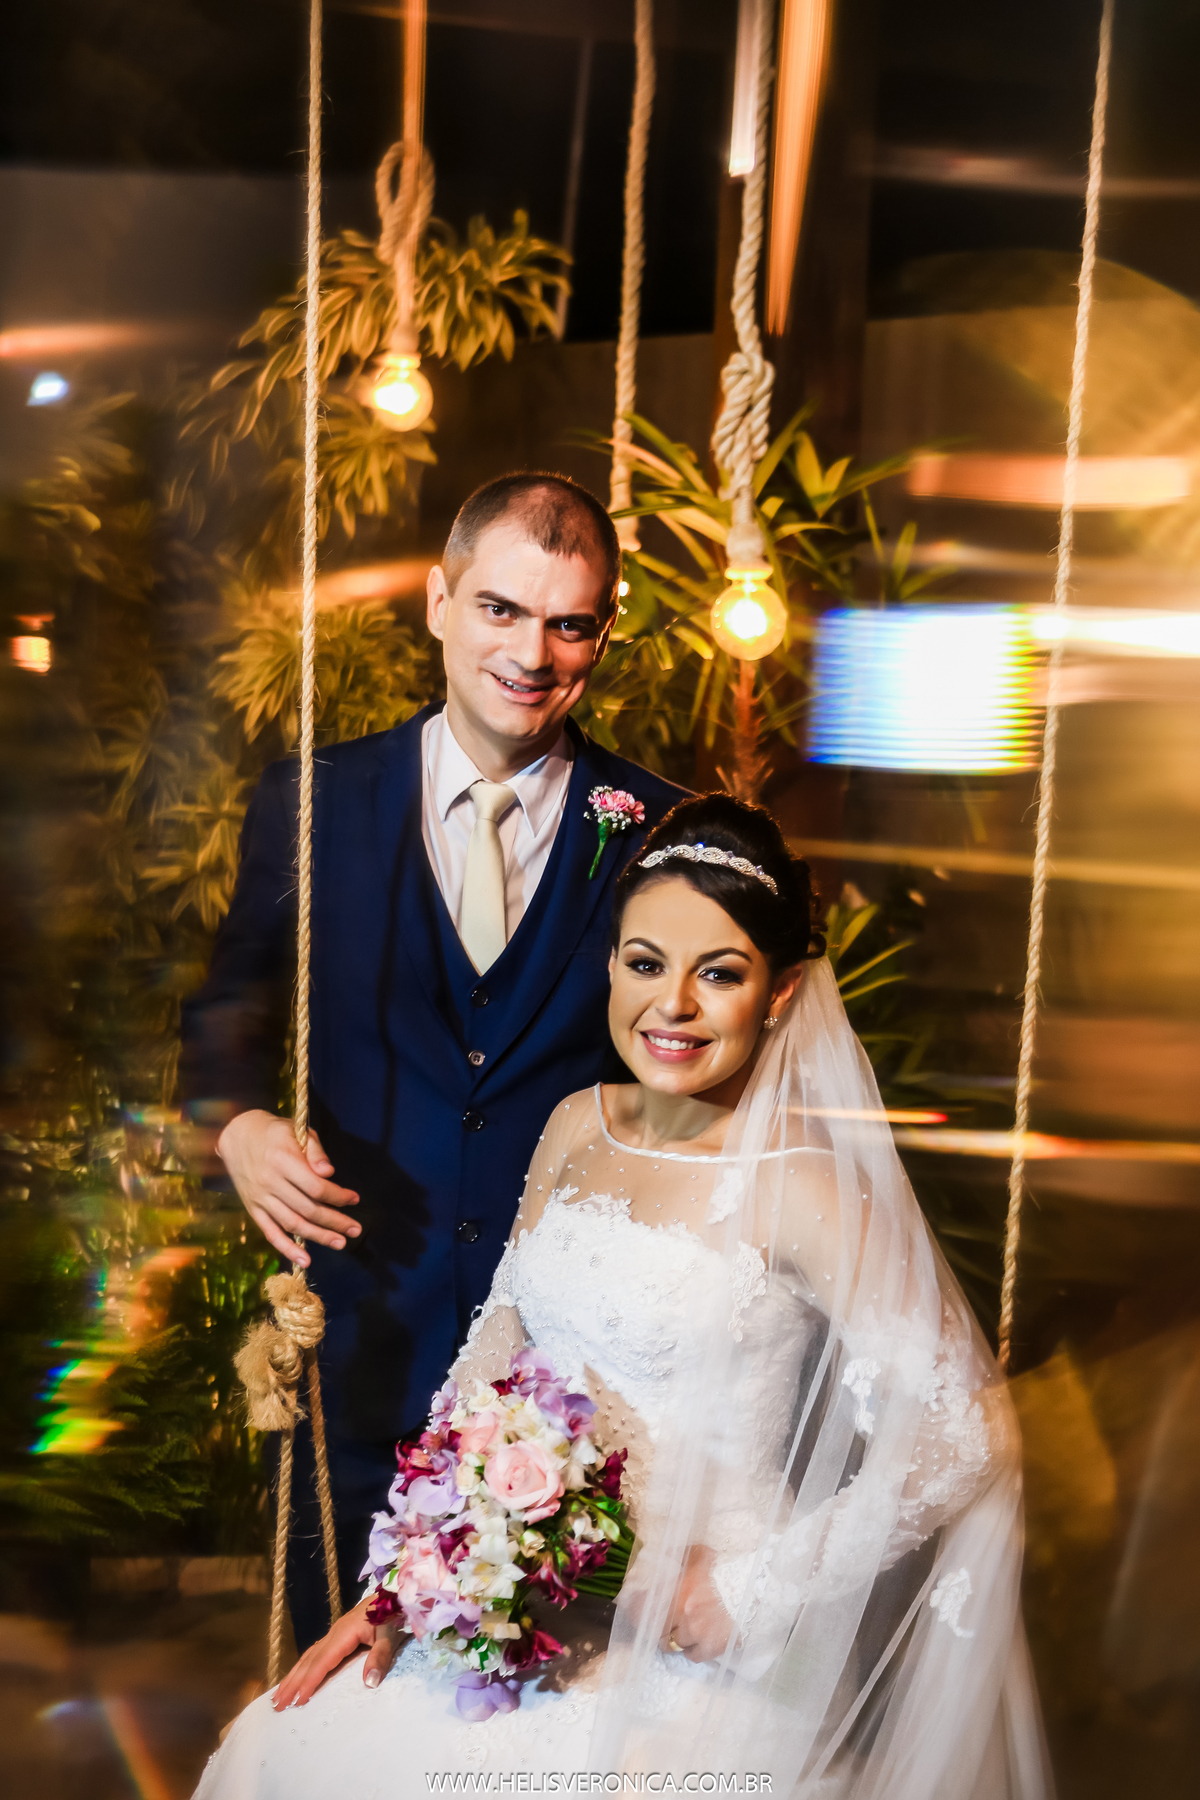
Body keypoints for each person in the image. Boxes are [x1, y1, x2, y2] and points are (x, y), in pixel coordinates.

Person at [195, 794, 1052, 1799]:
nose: (672, 1005)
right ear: (611, 965)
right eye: (646, 963)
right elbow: (497, 1346)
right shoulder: (576, 1123)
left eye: (719, 974)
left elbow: (971, 1433)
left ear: (780, 993)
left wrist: (746, 1592)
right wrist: (410, 1579)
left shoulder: (807, 1186)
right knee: (283, 1750)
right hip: (522, 1613)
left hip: (696, 1653)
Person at [179, 473, 684, 1648]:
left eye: (568, 624)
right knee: (332, 1704)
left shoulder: (659, 828)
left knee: (529, 1709)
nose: (531, 654)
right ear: (439, 601)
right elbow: (223, 1014)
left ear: (603, 634)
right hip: (358, 1352)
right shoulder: (313, 802)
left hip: (575, 1382)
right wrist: (237, 1126)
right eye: (501, 609)